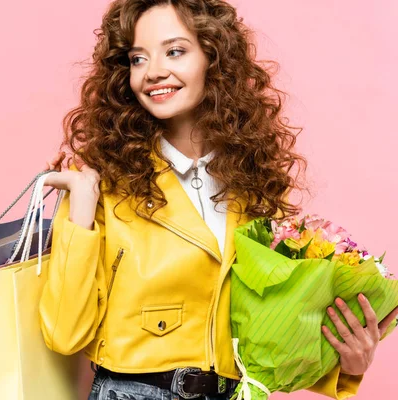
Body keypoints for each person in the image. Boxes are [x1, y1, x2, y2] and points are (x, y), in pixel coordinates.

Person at [40, 1, 398, 399]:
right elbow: (64, 333)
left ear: (214, 57)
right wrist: (83, 209)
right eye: (138, 58)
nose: (154, 71)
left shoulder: (252, 182)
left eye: (175, 51)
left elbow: (262, 333)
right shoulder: (102, 181)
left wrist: (345, 365)